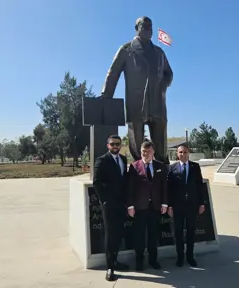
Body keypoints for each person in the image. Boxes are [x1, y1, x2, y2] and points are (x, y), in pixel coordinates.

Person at [100, 16, 173, 164]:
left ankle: (162, 172)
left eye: (150, 27)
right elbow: (113, 73)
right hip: (136, 103)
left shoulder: (159, 52)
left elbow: (169, 73)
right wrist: (106, 96)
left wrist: (163, 85)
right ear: (136, 29)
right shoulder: (127, 49)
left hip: (158, 102)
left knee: (160, 143)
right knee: (136, 141)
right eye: (145, 27)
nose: (149, 30)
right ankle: (138, 170)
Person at [92, 135, 129, 281]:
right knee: (110, 235)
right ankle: (110, 267)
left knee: (119, 233)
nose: (115, 146)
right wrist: (105, 200)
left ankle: (116, 260)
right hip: (109, 205)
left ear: (120, 145)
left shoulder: (123, 159)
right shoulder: (102, 160)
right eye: (112, 144)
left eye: (117, 144)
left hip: (121, 204)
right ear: (108, 145)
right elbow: (96, 182)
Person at [127, 140, 168, 271]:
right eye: (144, 151)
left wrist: (165, 203)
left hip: (155, 207)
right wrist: (130, 206)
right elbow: (130, 188)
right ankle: (139, 261)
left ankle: (153, 260)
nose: (146, 154)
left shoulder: (160, 166)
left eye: (148, 151)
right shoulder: (134, 166)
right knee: (139, 236)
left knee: (153, 235)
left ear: (153, 152)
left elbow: (164, 187)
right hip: (139, 208)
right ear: (141, 152)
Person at [167, 144, 206, 267]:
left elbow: (200, 186)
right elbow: (170, 189)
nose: (183, 154)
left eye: (185, 152)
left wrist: (202, 203)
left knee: (190, 233)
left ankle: (190, 257)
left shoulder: (195, 167)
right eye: (180, 152)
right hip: (178, 207)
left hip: (192, 206)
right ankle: (180, 257)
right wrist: (170, 206)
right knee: (178, 233)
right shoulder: (172, 168)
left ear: (188, 153)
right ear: (177, 154)